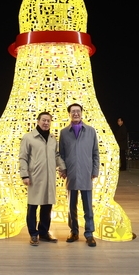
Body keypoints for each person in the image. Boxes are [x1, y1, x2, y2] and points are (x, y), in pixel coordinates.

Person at [19, 112, 66, 246]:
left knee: (47, 207)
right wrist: (25, 175)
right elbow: (23, 157)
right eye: (43, 120)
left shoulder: (52, 139)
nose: (46, 123)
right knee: (32, 207)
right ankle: (33, 234)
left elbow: (56, 155)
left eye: (48, 121)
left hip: (49, 177)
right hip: (35, 177)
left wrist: (63, 168)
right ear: (38, 121)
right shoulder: (29, 138)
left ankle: (44, 232)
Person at [59, 103, 99, 247]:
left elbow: (95, 153)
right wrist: (63, 169)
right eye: (73, 111)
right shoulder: (64, 133)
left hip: (86, 173)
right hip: (72, 174)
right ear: (69, 114)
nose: (75, 113)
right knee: (71, 206)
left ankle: (89, 233)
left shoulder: (90, 131)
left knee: (88, 206)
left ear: (82, 113)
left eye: (78, 111)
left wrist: (95, 171)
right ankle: (73, 231)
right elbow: (61, 154)